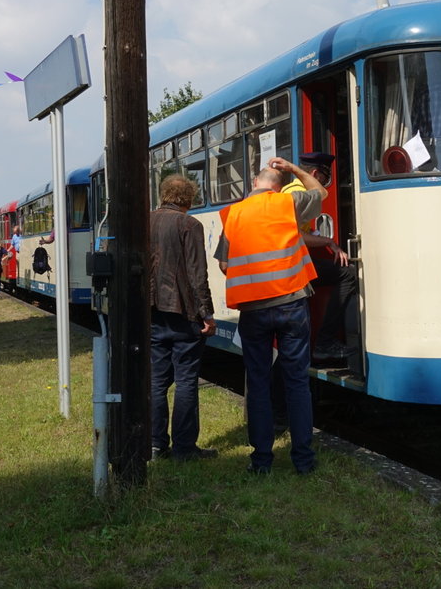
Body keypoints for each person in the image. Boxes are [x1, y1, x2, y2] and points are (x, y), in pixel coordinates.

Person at [217, 157, 326, 475]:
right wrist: (295, 169)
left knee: (259, 383)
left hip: (253, 310)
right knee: (296, 383)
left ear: (254, 183)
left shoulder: (233, 214)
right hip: (291, 305)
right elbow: (320, 192)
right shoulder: (287, 204)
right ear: (278, 187)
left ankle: (261, 461)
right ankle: (303, 461)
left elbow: (225, 265)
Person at [149, 173, 218, 462]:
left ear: (163, 195)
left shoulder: (145, 222)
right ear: (189, 198)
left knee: (155, 380)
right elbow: (196, 273)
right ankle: (184, 448)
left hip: (152, 312)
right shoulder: (190, 224)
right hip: (184, 313)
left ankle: (154, 443)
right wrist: (207, 313)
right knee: (187, 380)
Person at [280, 152, 360, 364]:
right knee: (347, 274)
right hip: (291, 265)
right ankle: (325, 342)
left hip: (289, 263)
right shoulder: (300, 193)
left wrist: (318, 236)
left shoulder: (289, 190)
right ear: (315, 174)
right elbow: (295, 235)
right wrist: (329, 242)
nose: (325, 183)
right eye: (325, 178)